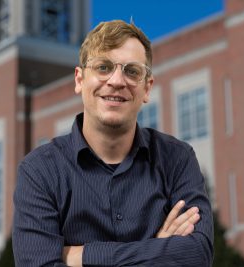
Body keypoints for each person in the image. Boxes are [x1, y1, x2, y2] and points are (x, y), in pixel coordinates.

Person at [13, 20, 213, 267]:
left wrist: (81, 255)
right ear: (79, 79)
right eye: (103, 67)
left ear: (147, 88)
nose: (117, 81)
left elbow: (197, 254)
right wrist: (158, 248)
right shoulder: (39, 171)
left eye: (132, 71)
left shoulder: (178, 158)